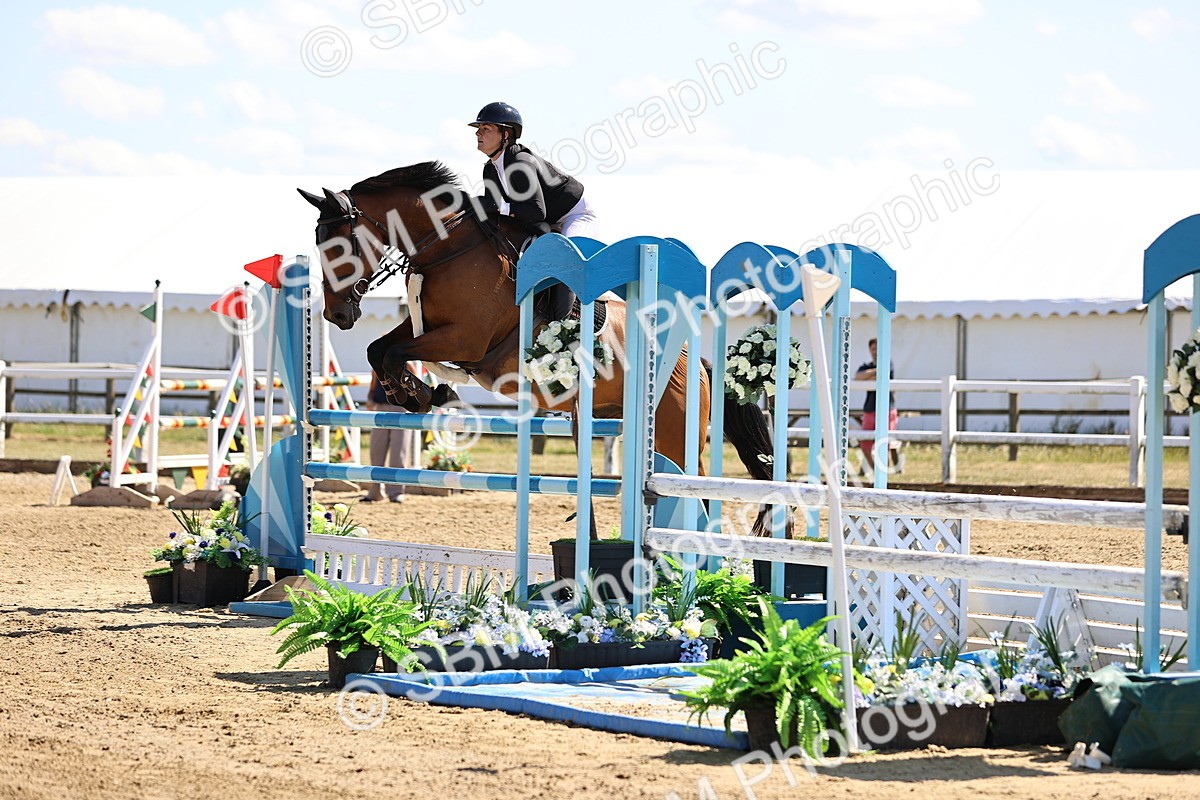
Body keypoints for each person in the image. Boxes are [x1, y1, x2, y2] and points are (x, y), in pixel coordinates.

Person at [468, 101, 599, 238]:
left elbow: (536, 212)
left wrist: (500, 207)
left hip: (576, 214)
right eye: (479, 128)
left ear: (505, 135)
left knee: (570, 255)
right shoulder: (490, 169)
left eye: (486, 129)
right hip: (547, 221)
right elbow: (492, 209)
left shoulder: (521, 162)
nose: (478, 133)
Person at [362, 370, 413, 502]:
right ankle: (375, 491)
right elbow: (374, 378)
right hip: (380, 406)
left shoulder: (408, 362)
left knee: (398, 452)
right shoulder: (378, 358)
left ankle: (396, 492)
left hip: (401, 407)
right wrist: (370, 396)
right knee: (376, 451)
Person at [854, 338, 901, 473]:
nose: (875, 352)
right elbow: (858, 376)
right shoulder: (866, 366)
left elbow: (882, 374)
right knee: (865, 443)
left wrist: (869, 375)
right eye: (873, 349)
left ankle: (885, 471)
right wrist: (875, 371)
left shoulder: (888, 363)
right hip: (870, 408)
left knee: (886, 442)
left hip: (887, 407)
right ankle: (876, 470)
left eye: (878, 349)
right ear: (870, 350)